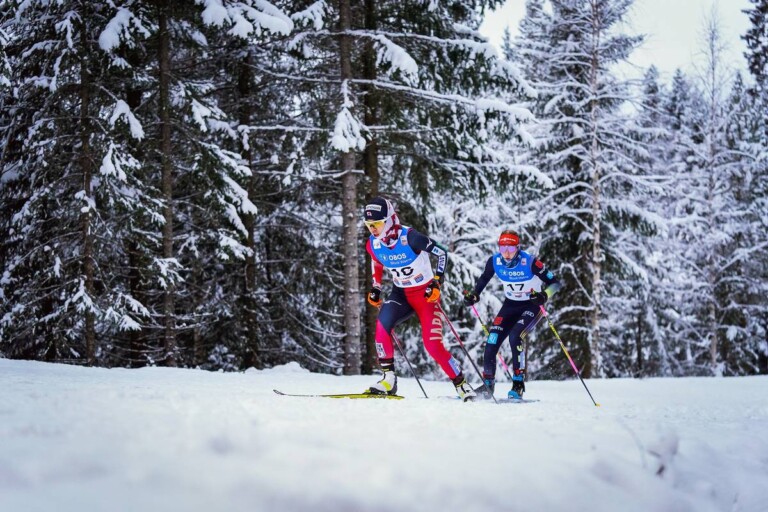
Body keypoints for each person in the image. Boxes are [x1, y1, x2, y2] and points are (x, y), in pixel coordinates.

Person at [363, 196, 476, 402]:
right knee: (381, 327)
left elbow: (441, 253)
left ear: (389, 220)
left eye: (377, 224)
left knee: (432, 345)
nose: (373, 229)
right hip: (401, 294)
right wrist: (376, 286)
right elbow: (376, 261)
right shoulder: (373, 244)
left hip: (425, 295)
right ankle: (388, 379)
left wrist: (436, 282)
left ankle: (461, 384)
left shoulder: (410, 237)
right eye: (369, 225)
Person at [463, 230, 561, 400]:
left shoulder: (530, 262)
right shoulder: (494, 261)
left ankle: (518, 384)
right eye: (502, 248)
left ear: (518, 248)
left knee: (515, 336)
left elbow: (555, 283)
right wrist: (475, 295)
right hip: (510, 305)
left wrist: (543, 295)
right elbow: (484, 278)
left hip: (531, 305)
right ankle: (488, 385)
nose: (506, 253)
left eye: (510, 248)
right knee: (492, 339)